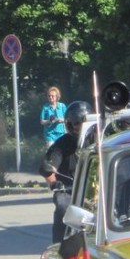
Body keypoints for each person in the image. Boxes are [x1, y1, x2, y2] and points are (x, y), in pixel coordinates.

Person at [40, 100, 90, 244]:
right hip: (70, 192)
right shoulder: (62, 144)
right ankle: (60, 249)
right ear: (69, 125)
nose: (81, 127)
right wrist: (54, 183)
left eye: (85, 122)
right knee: (62, 206)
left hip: (99, 191)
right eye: (77, 124)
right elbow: (48, 167)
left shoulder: (101, 141)